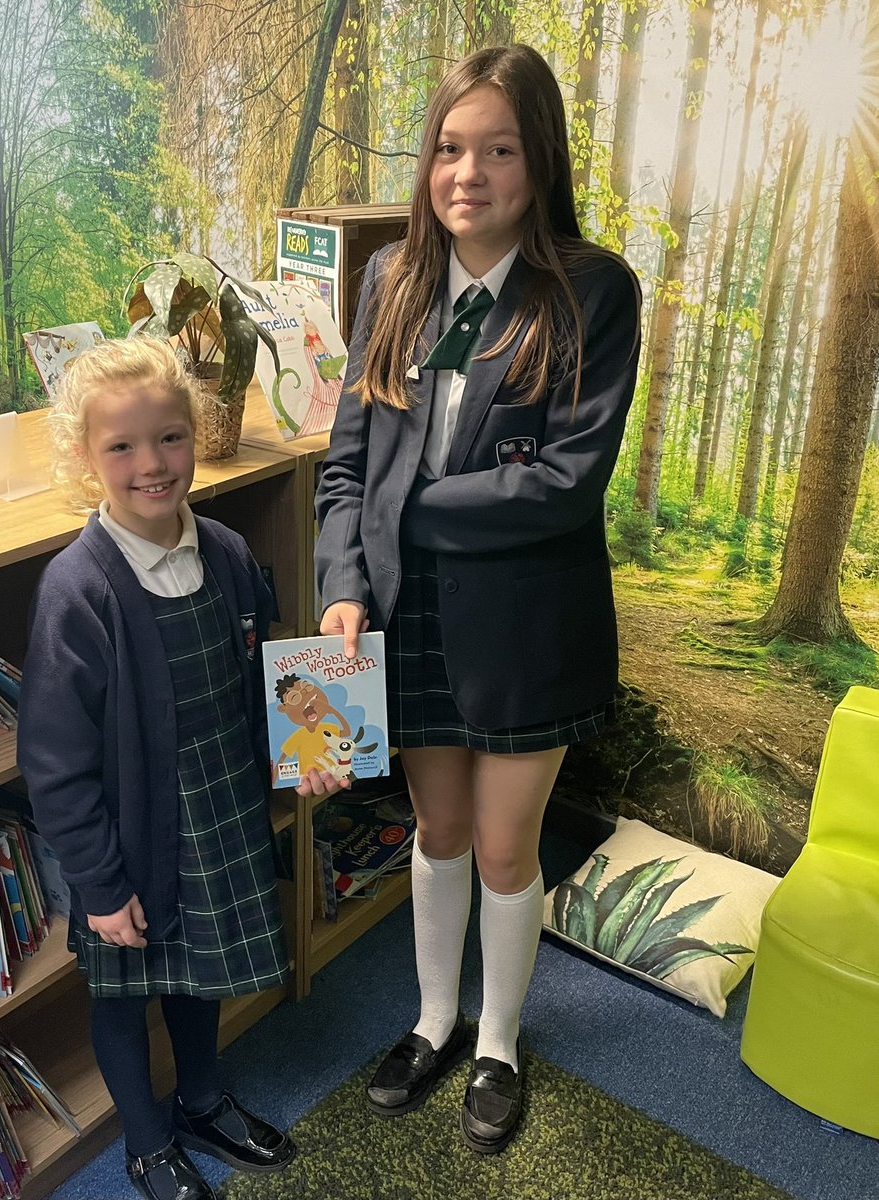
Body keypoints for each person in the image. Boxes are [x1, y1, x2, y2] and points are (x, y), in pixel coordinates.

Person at [314, 44, 642, 1156]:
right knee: (436, 829)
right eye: (449, 149)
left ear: (536, 161)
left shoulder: (590, 289)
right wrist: (344, 583)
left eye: (496, 149)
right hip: (404, 615)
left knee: (505, 848)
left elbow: (561, 483)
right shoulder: (389, 282)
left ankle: (497, 1041)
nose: (467, 172)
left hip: (525, 624)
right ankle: (432, 1019)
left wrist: (401, 512)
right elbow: (347, 465)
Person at [18, 338, 343, 1200]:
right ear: (86, 460)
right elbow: (54, 764)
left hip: (221, 808)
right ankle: (146, 1141)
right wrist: (95, 881)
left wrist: (304, 758)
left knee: (202, 973)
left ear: (195, 436)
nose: (151, 464)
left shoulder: (230, 552)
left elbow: (268, 682)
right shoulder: (78, 591)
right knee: (126, 995)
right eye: (120, 447)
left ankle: (201, 1100)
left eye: (169, 437)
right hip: (129, 839)